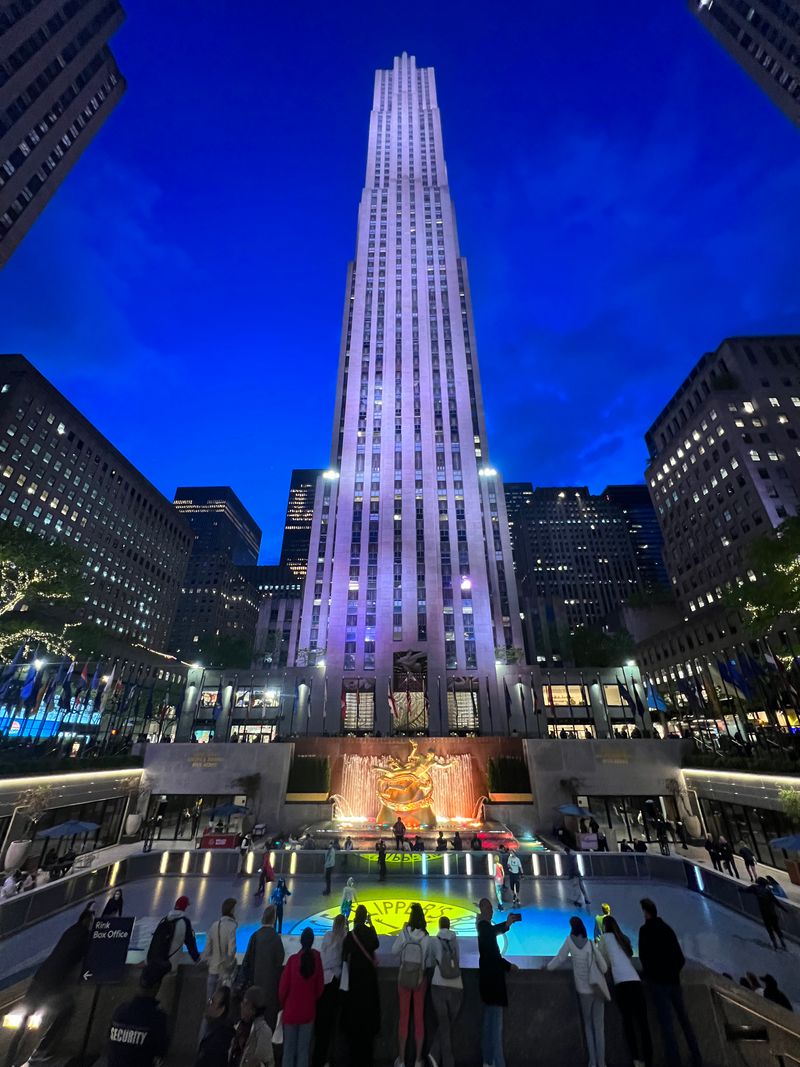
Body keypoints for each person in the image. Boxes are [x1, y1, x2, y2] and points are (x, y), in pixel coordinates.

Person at [7, 907, 94, 1063]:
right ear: (87, 921)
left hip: (40, 976)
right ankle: (41, 1050)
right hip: (54, 982)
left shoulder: (69, 931)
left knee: (25, 1018)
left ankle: (10, 1057)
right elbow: (84, 956)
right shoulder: (84, 935)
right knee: (67, 1009)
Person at [638, 898, 703, 1066]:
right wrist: (672, 973)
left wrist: (652, 975)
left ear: (645, 912)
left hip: (658, 984)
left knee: (667, 1026)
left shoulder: (645, 931)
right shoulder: (668, 929)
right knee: (684, 1021)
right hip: (674, 983)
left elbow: (644, 958)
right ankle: (697, 1056)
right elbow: (680, 958)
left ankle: (674, 1062)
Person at [546, 916, 609, 1067]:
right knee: (599, 1027)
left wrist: (547, 968)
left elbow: (560, 958)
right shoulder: (591, 944)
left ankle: (592, 1062)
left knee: (588, 1025)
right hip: (597, 988)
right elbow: (604, 967)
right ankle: (602, 1063)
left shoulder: (569, 941)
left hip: (583, 991)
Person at [598, 915, 653, 1067]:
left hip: (622, 984)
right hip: (635, 981)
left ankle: (636, 1059)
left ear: (604, 926)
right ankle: (649, 1060)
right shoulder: (623, 938)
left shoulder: (604, 939)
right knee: (643, 1024)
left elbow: (602, 962)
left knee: (628, 1023)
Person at [477, 897, 520, 1067]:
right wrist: (509, 967)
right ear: (482, 909)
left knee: (489, 1027)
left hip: (487, 987)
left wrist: (507, 925)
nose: (491, 911)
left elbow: (492, 933)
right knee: (495, 1030)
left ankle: (487, 1061)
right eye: (488, 908)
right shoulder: (484, 928)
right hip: (494, 986)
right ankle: (498, 1062)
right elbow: (494, 956)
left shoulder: (484, 928)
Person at [106, 959, 170, 1066]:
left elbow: (110, 1043)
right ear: (157, 986)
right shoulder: (157, 1017)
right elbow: (159, 1054)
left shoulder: (120, 1010)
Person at [391, 902, 433, 1067]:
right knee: (419, 1019)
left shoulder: (404, 934)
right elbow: (428, 960)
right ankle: (417, 1060)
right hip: (419, 981)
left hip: (404, 979)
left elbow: (394, 951)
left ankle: (401, 1059)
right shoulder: (426, 937)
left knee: (403, 1018)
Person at [341, 905, 381, 1067]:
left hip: (354, 984)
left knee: (355, 1029)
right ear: (365, 917)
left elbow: (344, 953)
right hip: (369, 984)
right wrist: (371, 925)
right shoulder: (370, 933)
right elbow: (376, 944)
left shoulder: (351, 936)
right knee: (367, 1034)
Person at [280, 927, 324, 1067]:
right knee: (303, 1052)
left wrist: (284, 1004)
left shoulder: (293, 961)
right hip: (308, 1013)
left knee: (288, 1051)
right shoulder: (317, 960)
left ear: (301, 941)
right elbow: (320, 987)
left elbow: (283, 989)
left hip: (291, 1012)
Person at [241, 905, 285, 1030]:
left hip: (254, 985)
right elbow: (279, 960)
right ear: (274, 919)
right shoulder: (276, 938)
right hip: (270, 989)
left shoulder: (255, 936)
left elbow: (247, 959)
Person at [313, 914, 348, 1067]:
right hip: (334, 985)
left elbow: (323, 957)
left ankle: (319, 1059)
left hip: (323, 985)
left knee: (322, 1027)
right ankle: (329, 1059)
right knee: (332, 1026)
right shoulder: (342, 940)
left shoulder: (327, 937)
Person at [429, 915, 462, 1067]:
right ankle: (437, 1056)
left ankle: (440, 1057)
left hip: (438, 984)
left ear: (439, 925)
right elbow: (458, 960)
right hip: (456, 986)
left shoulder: (434, 941)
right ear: (449, 926)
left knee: (444, 1024)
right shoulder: (455, 941)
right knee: (446, 1024)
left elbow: (429, 961)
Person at [147, 895, 200, 970]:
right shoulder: (184, 922)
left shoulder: (164, 920)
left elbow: (154, 940)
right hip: (170, 965)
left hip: (155, 963)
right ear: (185, 907)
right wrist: (196, 958)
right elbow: (190, 942)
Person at [201, 897, 238, 1001]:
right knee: (222, 1002)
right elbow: (232, 950)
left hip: (213, 970)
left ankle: (207, 1016)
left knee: (209, 1002)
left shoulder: (214, 925)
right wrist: (231, 963)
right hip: (224, 973)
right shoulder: (231, 926)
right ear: (231, 910)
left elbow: (207, 949)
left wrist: (209, 961)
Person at [232, 985, 274, 1067]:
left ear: (254, 1009)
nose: (242, 1006)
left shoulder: (263, 1031)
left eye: (246, 1004)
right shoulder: (239, 1026)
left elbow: (261, 1059)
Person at [742, 877, 788, 950]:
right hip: (772, 912)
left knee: (769, 928)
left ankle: (774, 942)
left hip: (764, 912)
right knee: (776, 926)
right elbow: (776, 901)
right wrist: (784, 909)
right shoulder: (768, 891)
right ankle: (781, 940)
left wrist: (740, 890)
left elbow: (745, 890)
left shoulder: (755, 888)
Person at [194, 985, 235, 1067]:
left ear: (221, 1009)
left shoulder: (221, 1038)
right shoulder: (215, 1030)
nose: (208, 1004)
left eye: (212, 1002)